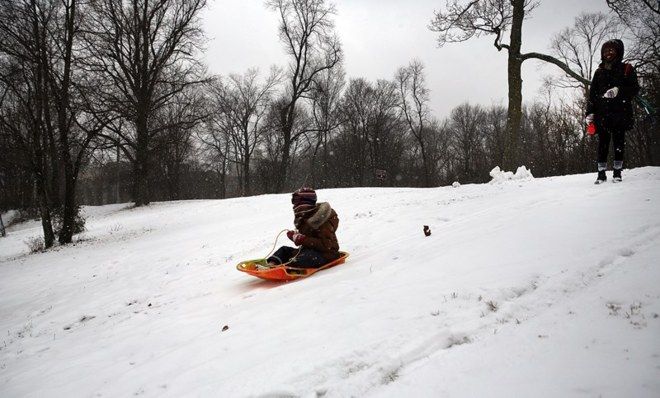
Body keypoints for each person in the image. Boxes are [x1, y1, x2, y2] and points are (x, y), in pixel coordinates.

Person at [585, 39, 640, 184]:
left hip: (620, 113)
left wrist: (618, 91)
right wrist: (589, 113)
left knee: (619, 143)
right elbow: (592, 96)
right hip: (602, 114)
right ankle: (601, 174)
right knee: (602, 144)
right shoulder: (599, 72)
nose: (608, 53)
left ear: (618, 52)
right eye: (605, 50)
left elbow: (634, 89)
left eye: (611, 50)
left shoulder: (626, 69)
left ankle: (617, 172)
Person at [267, 187, 340, 268]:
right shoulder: (304, 218)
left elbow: (326, 246)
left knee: (307, 257)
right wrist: (295, 237)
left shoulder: (322, 220)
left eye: (297, 203)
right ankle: (272, 263)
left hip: (326, 255)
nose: (295, 207)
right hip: (307, 251)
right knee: (284, 250)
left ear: (306, 203)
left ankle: (289, 266)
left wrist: (302, 239)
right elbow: (306, 240)